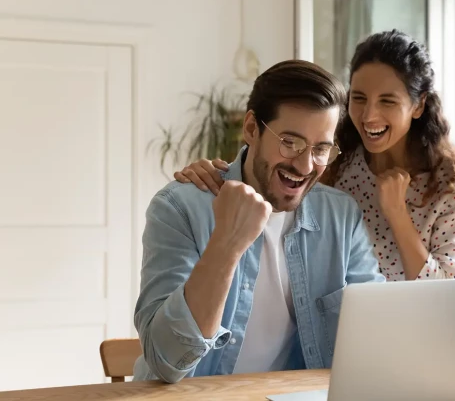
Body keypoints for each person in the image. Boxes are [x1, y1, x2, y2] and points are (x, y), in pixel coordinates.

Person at [134, 60, 385, 384]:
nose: (306, 164)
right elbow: (166, 362)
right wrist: (227, 243)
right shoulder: (180, 208)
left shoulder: (340, 216)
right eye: (290, 142)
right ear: (252, 128)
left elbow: (377, 334)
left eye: (321, 149)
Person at [174, 30, 455, 282]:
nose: (369, 116)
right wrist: (217, 174)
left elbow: (447, 294)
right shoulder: (336, 160)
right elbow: (271, 185)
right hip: (335, 329)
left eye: (388, 101)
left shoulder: (450, 180)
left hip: (419, 330)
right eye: (359, 98)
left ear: (418, 105)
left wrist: (397, 214)